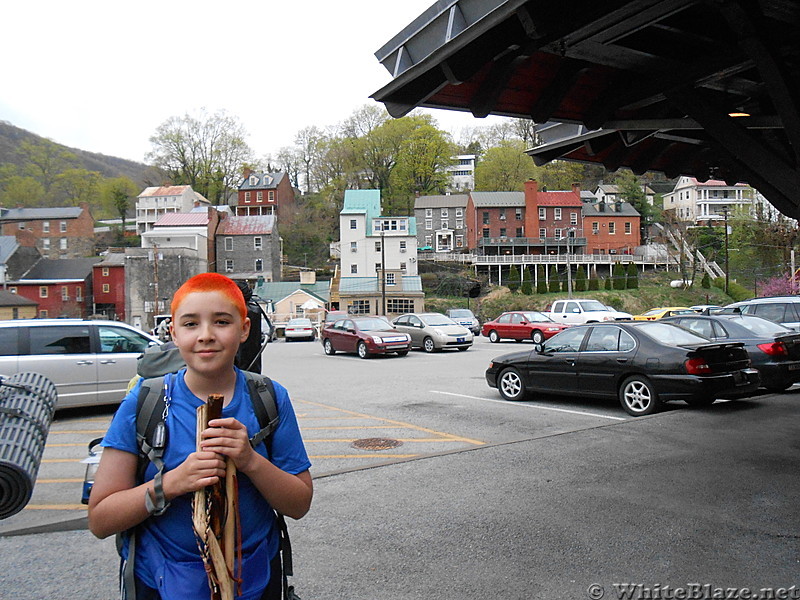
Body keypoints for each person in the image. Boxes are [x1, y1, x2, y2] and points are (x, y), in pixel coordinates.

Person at [88, 273, 313, 600]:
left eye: (221, 322)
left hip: (255, 581)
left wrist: (251, 461)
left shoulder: (269, 398)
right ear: (173, 333)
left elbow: (299, 503)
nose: (206, 335)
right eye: (191, 324)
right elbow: (100, 520)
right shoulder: (144, 402)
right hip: (161, 583)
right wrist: (171, 483)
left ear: (245, 329)